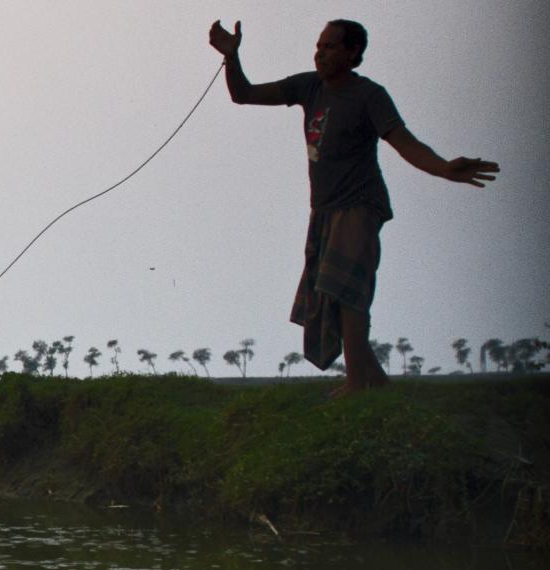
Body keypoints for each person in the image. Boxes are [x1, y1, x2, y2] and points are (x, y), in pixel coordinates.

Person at [208, 19, 499, 396]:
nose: (320, 53)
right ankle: (373, 378)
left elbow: (404, 143)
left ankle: (357, 382)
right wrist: (232, 58)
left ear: (352, 53)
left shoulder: (369, 96)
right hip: (325, 208)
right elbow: (243, 94)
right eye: (319, 45)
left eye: (330, 47)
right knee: (331, 292)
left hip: (360, 204)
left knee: (347, 290)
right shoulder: (308, 86)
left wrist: (444, 168)